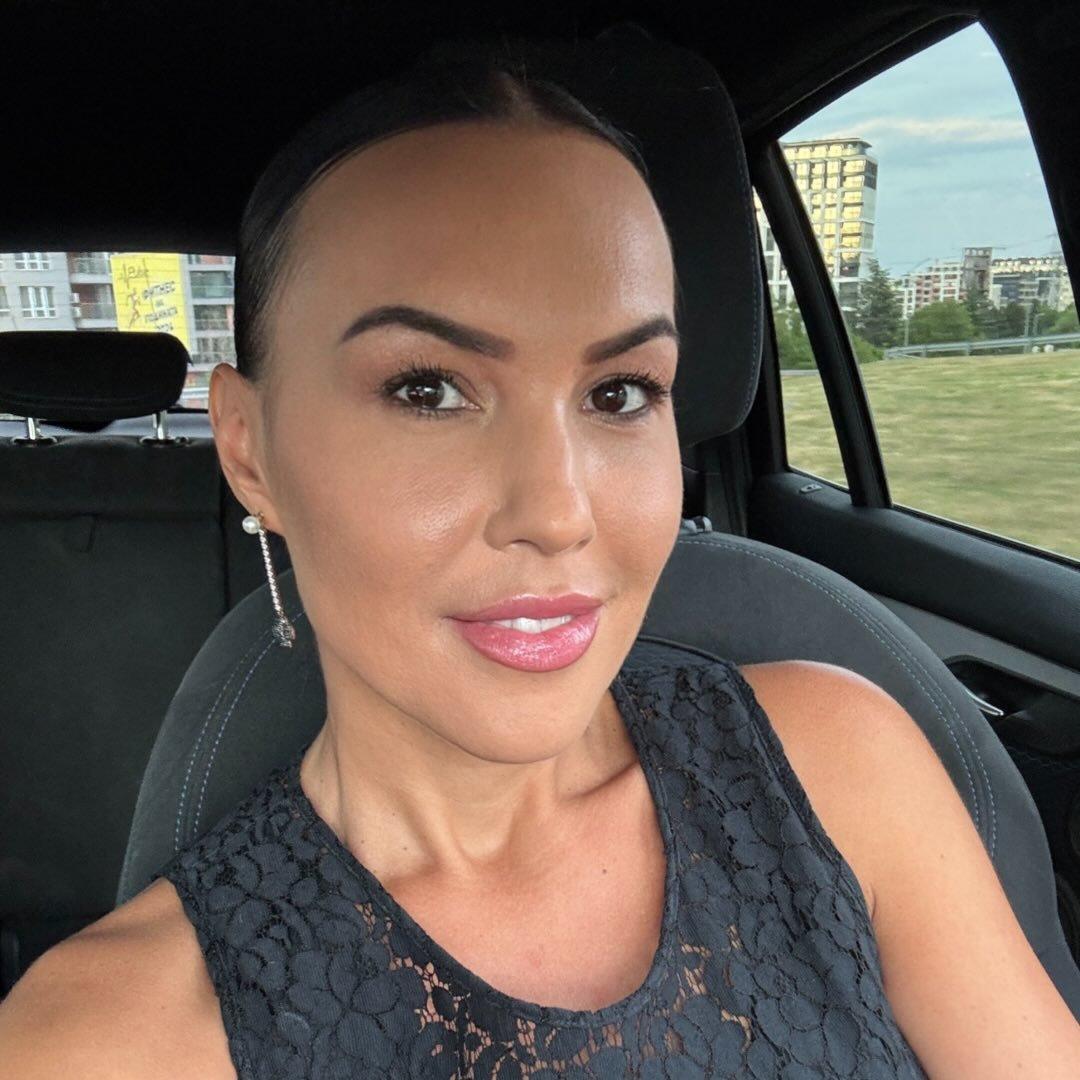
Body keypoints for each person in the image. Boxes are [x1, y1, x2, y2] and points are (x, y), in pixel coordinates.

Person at [2, 41, 1079, 1080]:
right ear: (249, 450)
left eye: (620, 392)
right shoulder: (99, 1041)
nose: (560, 515)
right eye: (428, 389)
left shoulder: (840, 762)